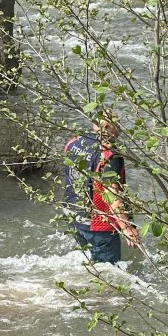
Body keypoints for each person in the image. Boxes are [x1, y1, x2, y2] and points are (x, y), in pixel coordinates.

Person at [62, 112, 140, 263]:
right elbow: (111, 194)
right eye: (118, 125)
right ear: (109, 127)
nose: (120, 130)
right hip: (98, 223)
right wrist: (127, 228)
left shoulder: (75, 141)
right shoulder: (109, 155)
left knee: (87, 262)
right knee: (108, 272)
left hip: (71, 213)